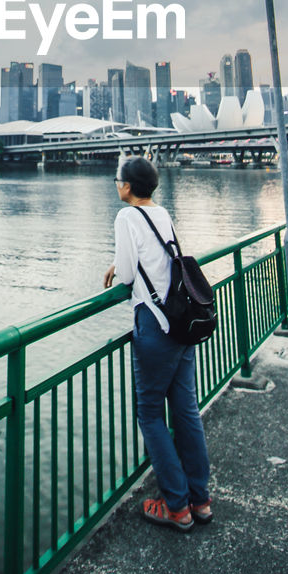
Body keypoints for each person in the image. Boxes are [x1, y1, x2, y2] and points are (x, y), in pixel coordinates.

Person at [103, 156, 211, 533]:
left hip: (156, 324)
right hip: (182, 323)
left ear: (128, 187)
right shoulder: (162, 213)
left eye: (119, 180)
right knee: (186, 412)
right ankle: (200, 499)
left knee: (149, 413)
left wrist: (118, 266)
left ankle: (176, 506)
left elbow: (131, 273)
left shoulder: (125, 217)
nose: (117, 184)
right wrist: (123, 263)